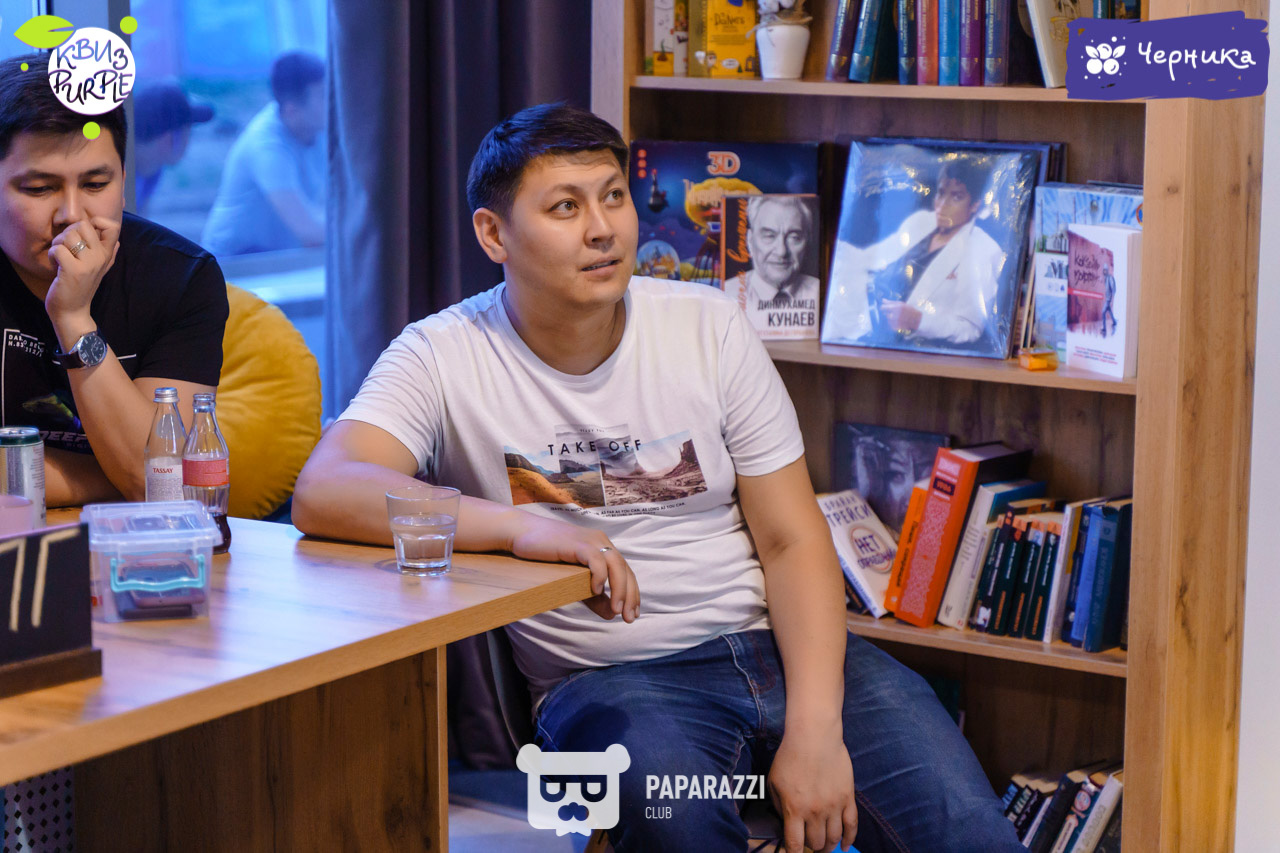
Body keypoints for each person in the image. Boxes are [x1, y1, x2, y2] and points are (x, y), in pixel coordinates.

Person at [292, 103, 1021, 853]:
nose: (603, 228)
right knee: (683, 830)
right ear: (493, 234)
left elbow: (791, 539)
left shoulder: (708, 325)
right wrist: (520, 527)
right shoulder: (443, 354)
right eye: (565, 207)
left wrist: (814, 731)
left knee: (973, 835)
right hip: (612, 681)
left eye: (613, 196)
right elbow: (326, 487)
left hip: (780, 650)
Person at [0, 55, 229, 506]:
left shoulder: (182, 277)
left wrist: (73, 317)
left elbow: (159, 484)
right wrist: (112, 478)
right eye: (39, 188)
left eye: (95, 184)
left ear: (124, 181)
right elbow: (154, 471)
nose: (71, 216)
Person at [832, 159, 1004, 346]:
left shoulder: (983, 249)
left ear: (975, 205)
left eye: (956, 197)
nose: (942, 205)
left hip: (916, 349)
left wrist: (918, 321)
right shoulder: (922, 221)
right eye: (941, 193)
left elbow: (969, 330)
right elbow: (871, 258)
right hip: (869, 325)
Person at [201, 51, 325, 255]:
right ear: (292, 110)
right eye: (323, 95)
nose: (333, 101)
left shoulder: (318, 129)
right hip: (233, 263)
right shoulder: (267, 145)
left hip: (272, 258)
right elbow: (308, 231)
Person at [132, 82, 214, 213]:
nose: (189, 141)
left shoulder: (151, 168)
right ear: (169, 140)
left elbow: (139, 218)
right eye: (189, 132)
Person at [740, 194, 820, 326]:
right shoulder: (728, 295)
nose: (782, 251)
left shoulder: (824, 295)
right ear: (750, 241)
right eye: (769, 236)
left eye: (794, 237)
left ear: (808, 241)